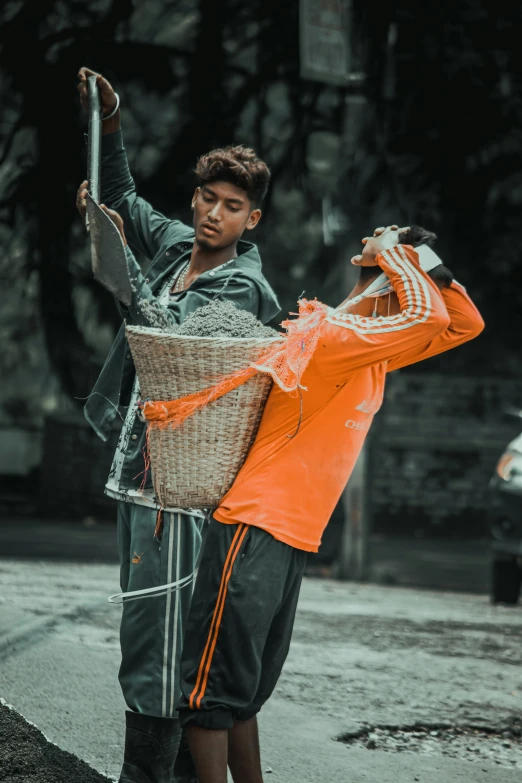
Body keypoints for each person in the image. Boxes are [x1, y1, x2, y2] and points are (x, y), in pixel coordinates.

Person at [175, 224, 485, 783]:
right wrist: (396, 255)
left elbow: (464, 322)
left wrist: (423, 259)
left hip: (291, 535)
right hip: (253, 523)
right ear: (385, 280)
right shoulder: (332, 335)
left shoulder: (371, 353)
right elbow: (430, 318)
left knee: (245, 694)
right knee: (213, 690)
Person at [76, 67, 280, 783]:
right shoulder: (177, 248)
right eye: (206, 198)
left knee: (163, 637)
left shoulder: (239, 285)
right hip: (143, 471)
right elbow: (124, 199)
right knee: (146, 628)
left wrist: (118, 268)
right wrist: (110, 123)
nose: (213, 214)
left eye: (231, 205)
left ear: (252, 219)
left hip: (186, 485)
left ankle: (145, 777)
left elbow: (173, 350)